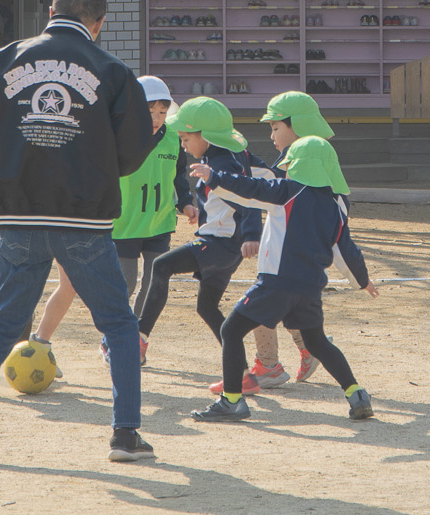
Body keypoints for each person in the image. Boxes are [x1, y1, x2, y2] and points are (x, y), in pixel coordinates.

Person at [0, 0, 158, 465]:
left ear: (50, 9)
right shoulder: (114, 71)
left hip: (16, 215)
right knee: (119, 325)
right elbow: (129, 156)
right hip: (84, 220)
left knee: (0, 325)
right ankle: (125, 435)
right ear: (98, 24)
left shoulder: (4, 59)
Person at [187, 136, 380, 424]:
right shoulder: (337, 204)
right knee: (316, 342)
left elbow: (249, 189)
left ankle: (231, 401)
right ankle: (356, 393)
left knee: (230, 330)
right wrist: (361, 281)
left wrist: (214, 176)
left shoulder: (288, 190)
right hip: (311, 286)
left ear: (298, 166)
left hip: (276, 282)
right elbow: (346, 250)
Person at [26, 77, 189, 366]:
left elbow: (179, 177)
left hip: (160, 224)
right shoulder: (118, 136)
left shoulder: (174, 137)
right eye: (150, 111)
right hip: (123, 225)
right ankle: (112, 338)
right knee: (122, 285)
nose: (156, 119)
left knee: (155, 286)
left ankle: (136, 339)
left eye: (162, 112)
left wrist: (187, 202)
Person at [208, 92, 335, 395]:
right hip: (296, 251)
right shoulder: (310, 155)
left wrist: (234, 174)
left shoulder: (302, 161)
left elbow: (266, 191)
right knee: (286, 301)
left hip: (290, 251)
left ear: (298, 126)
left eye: (276, 127)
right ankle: (305, 350)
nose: (272, 134)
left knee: (264, 302)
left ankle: (268, 366)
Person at [134, 97, 263, 357]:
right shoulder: (230, 154)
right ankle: (242, 371)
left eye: (185, 138)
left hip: (219, 244)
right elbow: (264, 175)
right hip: (228, 248)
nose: (182, 145)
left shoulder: (220, 165)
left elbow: (247, 199)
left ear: (205, 136)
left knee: (161, 265)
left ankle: (139, 338)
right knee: (206, 307)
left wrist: (252, 235)